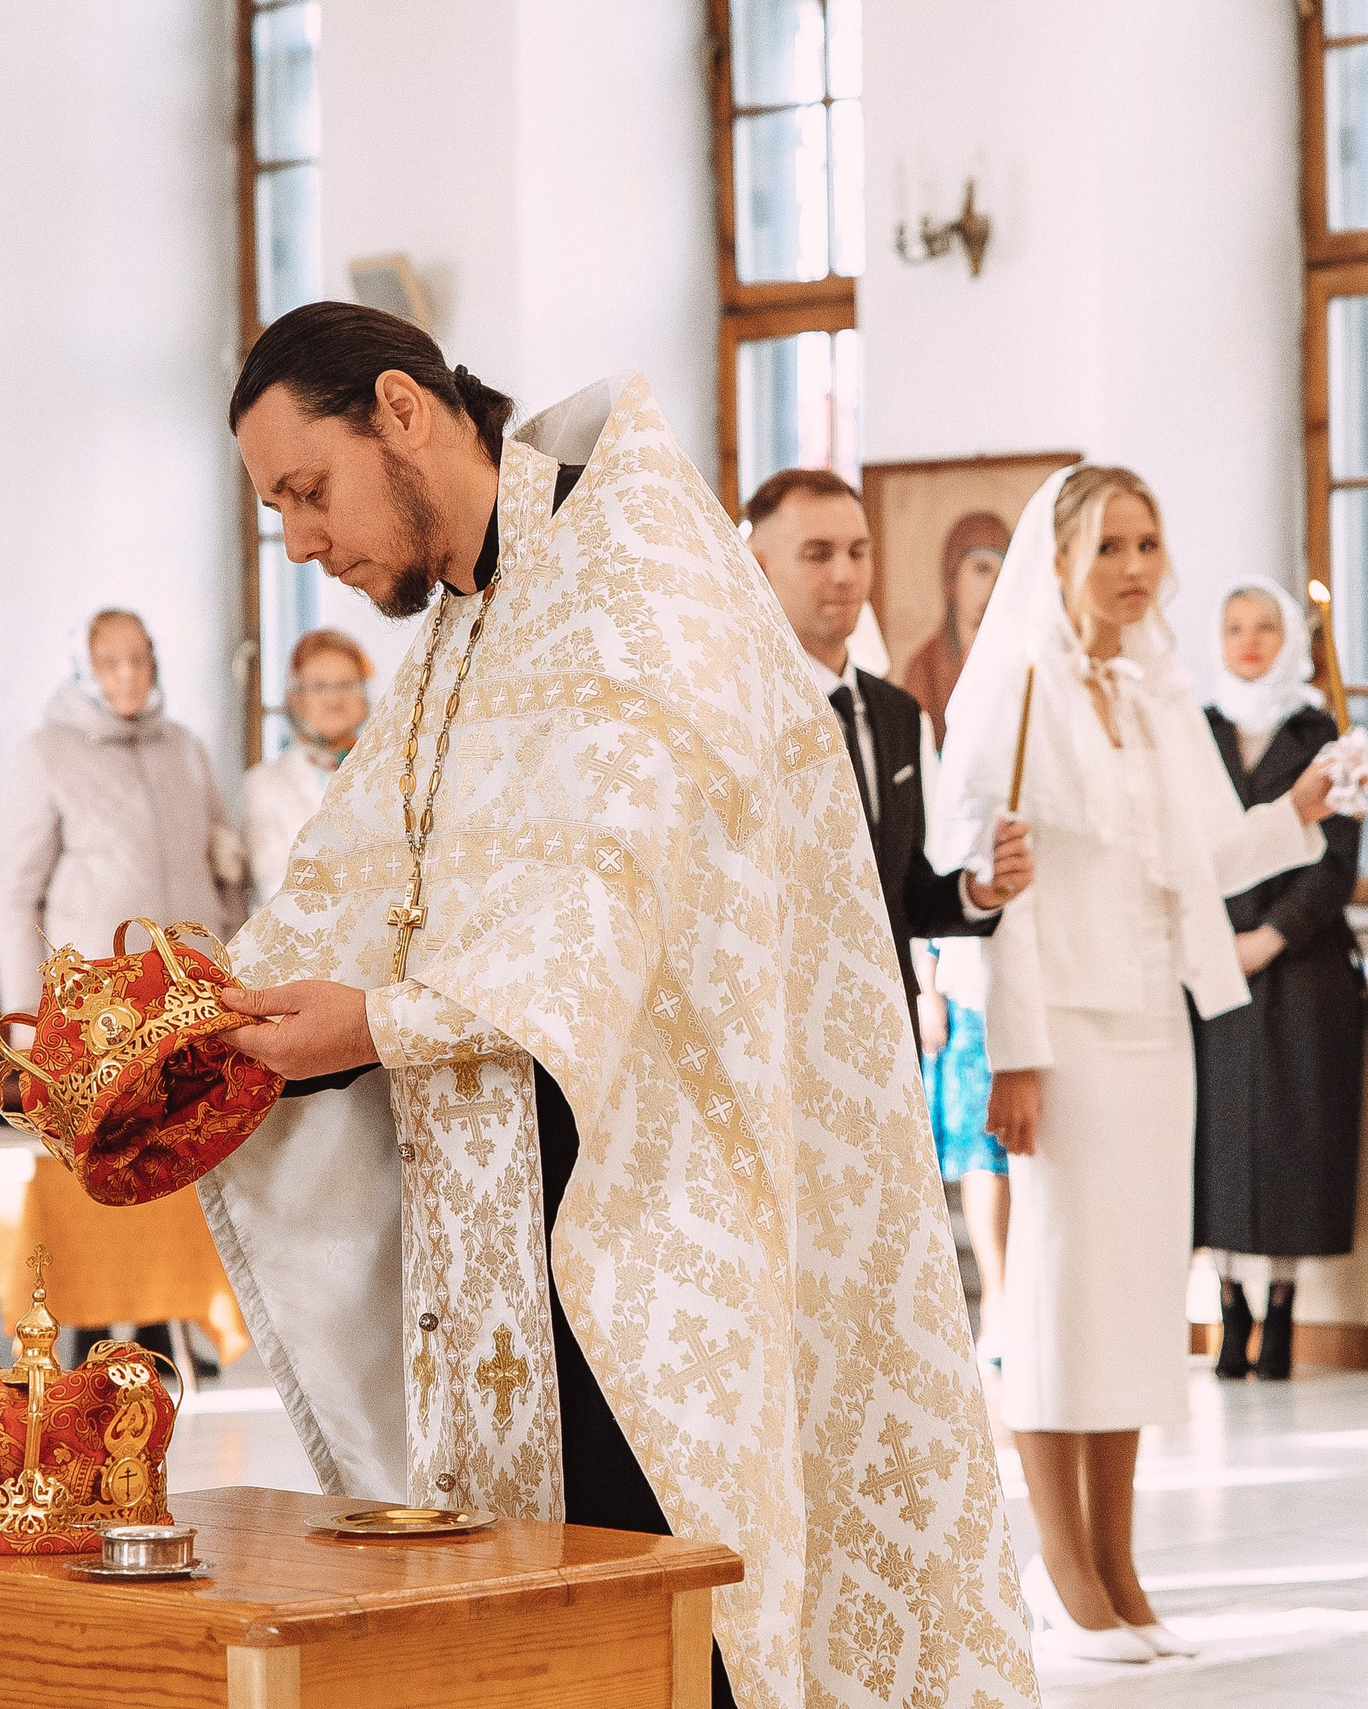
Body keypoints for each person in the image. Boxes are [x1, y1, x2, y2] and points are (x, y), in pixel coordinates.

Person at [202, 302, 1037, 1709]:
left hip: (653, 1225)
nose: (298, 541)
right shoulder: (474, 620)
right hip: (507, 1235)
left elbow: (594, 913)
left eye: (306, 490)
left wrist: (371, 1022)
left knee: (673, 1629)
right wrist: (182, 1025)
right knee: (537, 1638)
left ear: (402, 411)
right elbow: (359, 887)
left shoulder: (632, 574)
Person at [934, 466, 1333, 1662]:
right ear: (1058, 558)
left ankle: (1120, 1566)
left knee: (1136, 1306)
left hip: (1159, 1025)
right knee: (1056, 1301)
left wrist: (1303, 804)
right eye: (1110, 543)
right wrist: (1010, 1049)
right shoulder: (1009, 684)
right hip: (1058, 1028)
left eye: (1149, 542)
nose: (1134, 567)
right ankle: (1062, 1574)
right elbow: (979, 880)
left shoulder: (1157, 693)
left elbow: (1209, 855)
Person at [741, 466, 1030, 1049]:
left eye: (858, 551)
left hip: (888, 1028)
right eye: (817, 554)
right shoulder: (732, 712)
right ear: (759, 565)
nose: (845, 575)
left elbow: (906, 894)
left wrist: (977, 892)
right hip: (774, 1036)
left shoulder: (898, 714)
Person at [1192, 577, 1367, 1381]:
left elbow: (1336, 862)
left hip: (1301, 970)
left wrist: (1270, 937)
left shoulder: (1323, 732)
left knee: (1294, 1140)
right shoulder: (1193, 732)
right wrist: (1219, 940)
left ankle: (1286, 1316)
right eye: (1235, 627)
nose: (1250, 640)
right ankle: (1230, 1312)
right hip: (1209, 965)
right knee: (1218, 1142)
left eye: (1266, 626)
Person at [0, 609, 247, 1019]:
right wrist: (23, 1008)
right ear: (83, 667)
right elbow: (16, 895)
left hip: (197, 990)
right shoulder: (47, 752)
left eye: (140, 659)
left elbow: (226, 871)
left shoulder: (185, 747)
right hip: (99, 998)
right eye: (110, 663)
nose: (128, 674)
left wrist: (238, 968)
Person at [243, 629, 372, 907]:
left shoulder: (392, 770)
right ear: (296, 699)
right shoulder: (264, 783)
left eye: (346, 684)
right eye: (319, 686)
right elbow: (271, 886)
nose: (334, 698)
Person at [901, 509, 1012, 748]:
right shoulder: (925, 666)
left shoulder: (1016, 661)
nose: (993, 586)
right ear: (952, 575)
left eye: (1002, 574)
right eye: (981, 569)